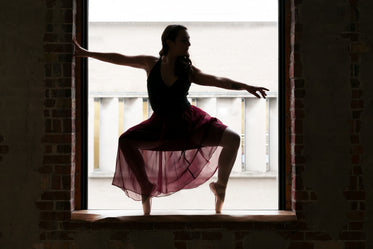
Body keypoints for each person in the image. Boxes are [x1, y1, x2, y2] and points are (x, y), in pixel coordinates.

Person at [73, 24, 269, 215]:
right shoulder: (150, 63)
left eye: (188, 41)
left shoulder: (187, 71)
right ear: (169, 41)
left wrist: (246, 86)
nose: (188, 45)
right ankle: (145, 186)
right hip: (161, 126)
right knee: (126, 141)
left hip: (189, 123)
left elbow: (218, 80)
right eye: (184, 40)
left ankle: (220, 186)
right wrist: (86, 53)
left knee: (233, 139)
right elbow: (117, 58)